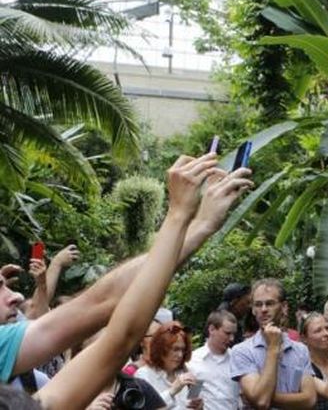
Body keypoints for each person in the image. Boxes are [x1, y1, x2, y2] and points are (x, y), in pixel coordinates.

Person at [0, 153, 250, 390]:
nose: (17, 296)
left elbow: (104, 313)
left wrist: (197, 226)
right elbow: (113, 332)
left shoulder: (37, 385)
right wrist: (182, 217)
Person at [230, 278, 316, 409]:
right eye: (258, 305)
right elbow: (261, 403)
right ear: (253, 309)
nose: (263, 309)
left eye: (270, 303)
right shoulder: (242, 351)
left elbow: (310, 400)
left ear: (284, 307)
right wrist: (273, 348)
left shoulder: (300, 350)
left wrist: (261, 395)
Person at [136, 321, 201, 409]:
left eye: (183, 350)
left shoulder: (185, 371)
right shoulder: (144, 374)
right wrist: (172, 391)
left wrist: (199, 407)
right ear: (161, 349)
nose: (180, 355)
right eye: (175, 349)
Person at [187, 310, 241, 410]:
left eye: (234, 334)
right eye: (227, 333)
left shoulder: (237, 359)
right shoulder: (194, 361)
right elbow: (192, 399)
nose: (232, 338)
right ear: (212, 329)